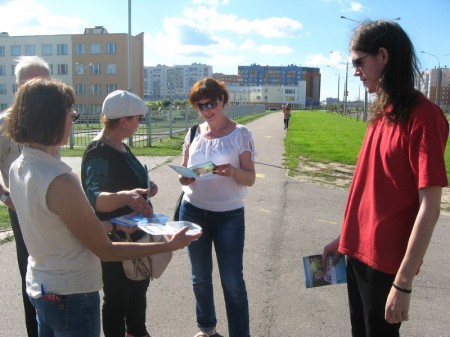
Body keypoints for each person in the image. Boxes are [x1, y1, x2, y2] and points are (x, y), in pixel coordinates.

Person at [4, 78, 201, 337]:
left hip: (41, 286)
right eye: (70, 114)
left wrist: (113, 224)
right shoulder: (60, 180)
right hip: (71, 294)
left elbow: (54, 224)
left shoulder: (19, 166)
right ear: (51, 117)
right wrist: (169, 245)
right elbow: (105, 250)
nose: (72, 121)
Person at [322, 20, 448, 337]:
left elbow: (430, 208)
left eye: (358, 62)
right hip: (358, 254)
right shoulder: (381, 113)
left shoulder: (424, 117)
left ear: (383, 56)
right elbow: (370, 190)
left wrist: (403, 284)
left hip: (386, 263)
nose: (355, 71)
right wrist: (345, 240)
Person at [80, 90, 163, 337]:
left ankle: (137, 330)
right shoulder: (99, 151)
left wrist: (147, 187)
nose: (140, 123)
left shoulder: (120, 146)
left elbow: (129, 179)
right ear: (124, 121)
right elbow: (96, 200)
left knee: (138, 290)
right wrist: (127, 197)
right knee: (117, 298)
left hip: (135, 234)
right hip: (116, 237)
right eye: (138, 118)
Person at [178, 78, 256, 337]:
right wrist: (185, 177)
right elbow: (184, 171)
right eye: (200, 106)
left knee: (232, 281)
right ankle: (207, 328)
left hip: (229, 216)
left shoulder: (240, 134)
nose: (205, 110)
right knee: (200, 277)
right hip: (193, 210)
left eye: (210, 103)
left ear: (222, 100)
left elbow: (250, 178)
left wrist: (234, 171)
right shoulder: (193, 133)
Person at [0, 55, 51, 337]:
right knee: (30, 272)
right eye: (31, 84)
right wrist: (6, 196)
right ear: (18, 87)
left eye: (44, 83)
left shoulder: (52, 120)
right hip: (21, 210)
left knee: (54, 268)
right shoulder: (5, 123)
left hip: (53, 208)